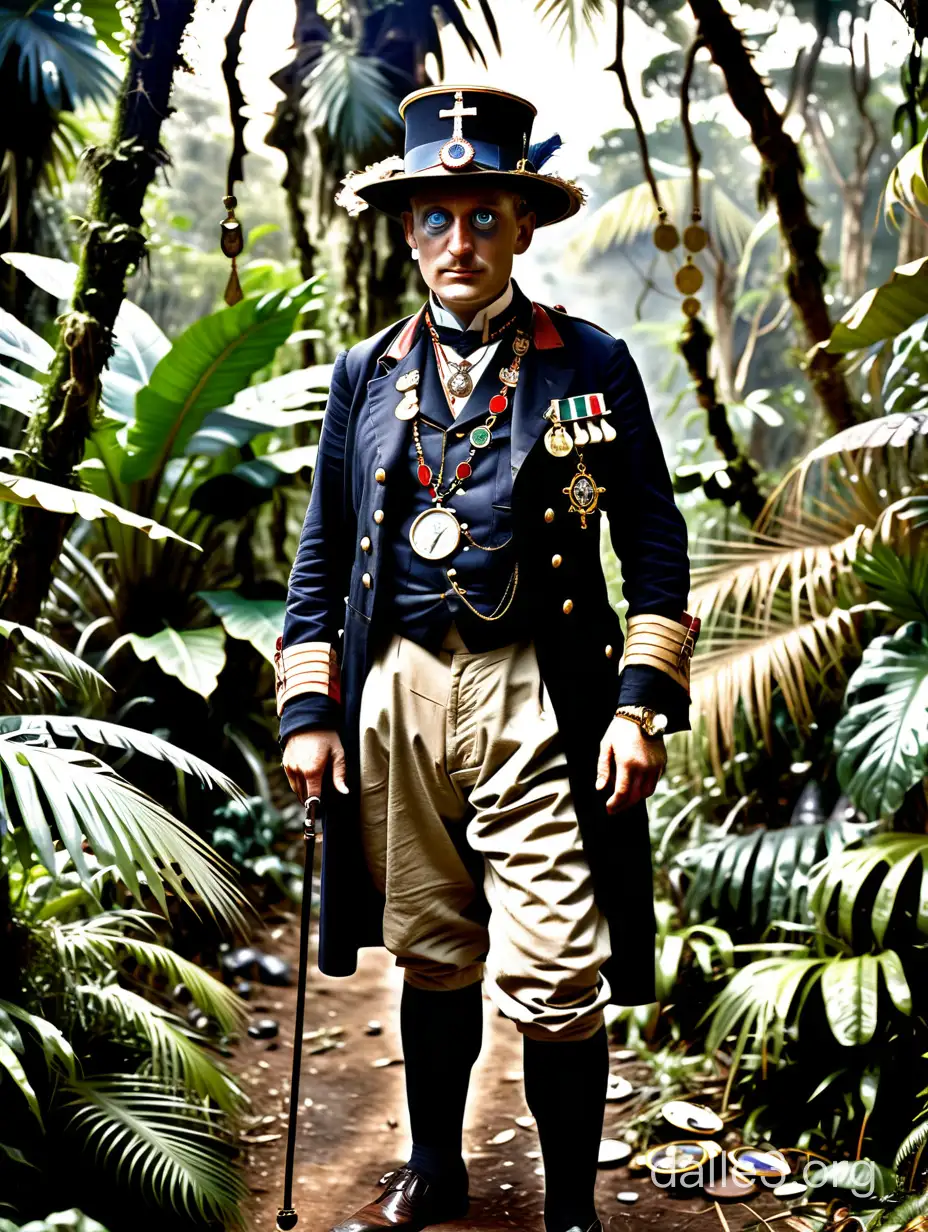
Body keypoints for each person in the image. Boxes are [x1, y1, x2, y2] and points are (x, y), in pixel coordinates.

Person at [276, 85, 698, 1232]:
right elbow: (323, 551)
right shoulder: (367, 371)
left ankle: (570, 1208)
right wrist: (308, 705)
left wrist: (637, 704)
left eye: (481, 217)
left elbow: (655, 542)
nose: (457, 242)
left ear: (521, 224)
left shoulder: (592, 362)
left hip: (540, 687)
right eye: (434, 219)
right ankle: (436, 1161)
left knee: (561, 963)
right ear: (407, 230)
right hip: (398, 685)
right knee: (430, 946)